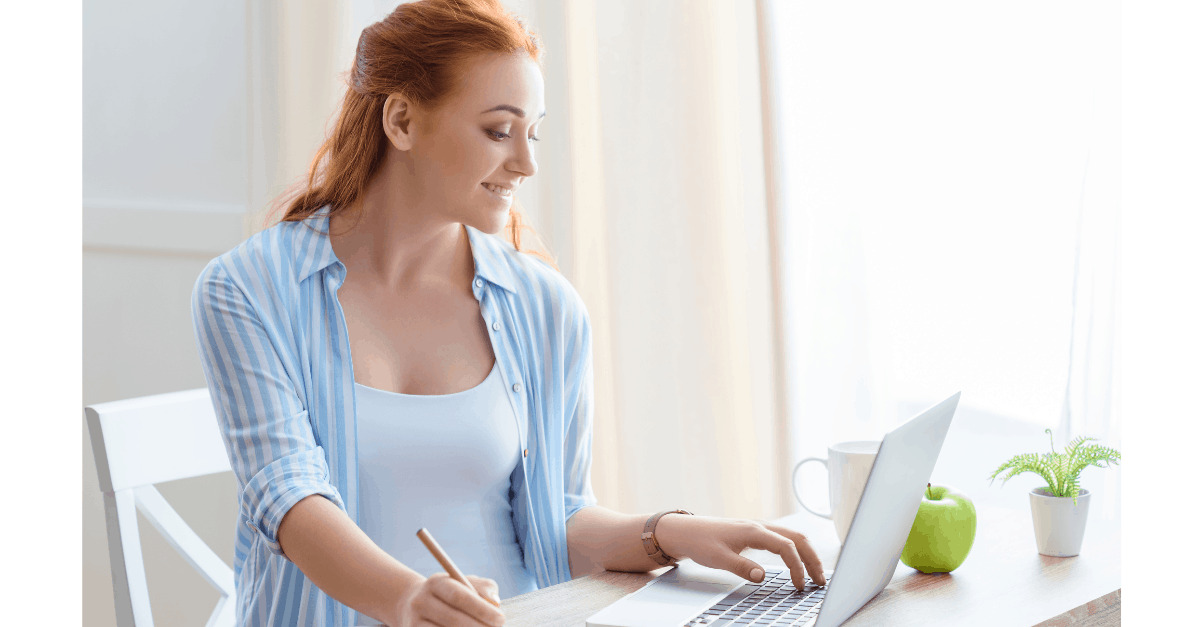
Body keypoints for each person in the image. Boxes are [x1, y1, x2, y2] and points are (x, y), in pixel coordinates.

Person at [191, 1, 824, 625]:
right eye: (499, 131)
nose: (527, 163)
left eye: (534, 132)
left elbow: (558, 516)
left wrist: (665, 533)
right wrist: (408, 602)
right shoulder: (249, 289)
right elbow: (289, 498)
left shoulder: (546, 309)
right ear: (403, 121)